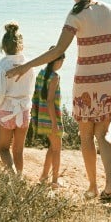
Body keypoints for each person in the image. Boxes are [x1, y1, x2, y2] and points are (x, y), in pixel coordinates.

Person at [7, 0, 111, 201]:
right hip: (109, 81)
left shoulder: (75, 15)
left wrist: (25, 66)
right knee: (103, 134)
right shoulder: (110, 11)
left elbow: (58, 51)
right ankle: (110, 186)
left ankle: (93, 187)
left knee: (86, 137)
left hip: (86, 85)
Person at [0, 22, 36, 175]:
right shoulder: (29, 65)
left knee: (3, 148)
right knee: (18, 150)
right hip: (24, 111)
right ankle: (19, 177)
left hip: (6, 111)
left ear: (3, 47)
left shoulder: (3, 65)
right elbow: (31, 91)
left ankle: (11, 173)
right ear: (21, 46)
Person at [30, 47, 66, 188]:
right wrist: (54, 122)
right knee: (57, 149)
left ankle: (44, 176)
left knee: (52, 147)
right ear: (58, 61)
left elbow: (38, 97)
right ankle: (55, 180)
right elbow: (50, 101)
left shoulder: (42, 73)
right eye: (62, 60)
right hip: (50, 118)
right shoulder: (54, 77)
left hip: (41, 117)